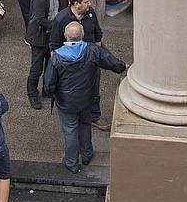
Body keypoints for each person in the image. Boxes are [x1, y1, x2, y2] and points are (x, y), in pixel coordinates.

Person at [42, 21, 127, 173]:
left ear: (65, 37)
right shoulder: (92, 50)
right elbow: (110, 61)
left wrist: (54, 93)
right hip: (87, 97)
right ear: (82, 35)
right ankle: (87, 155)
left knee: (70, 130)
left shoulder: (57, 57)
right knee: (85, 125)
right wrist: (122, 66)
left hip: (66, 102)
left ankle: (72, 163)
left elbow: (48, 84)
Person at [26, 0, 63, 110]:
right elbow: (37, 19)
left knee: (50, 64)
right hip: (39, 37)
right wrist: (56, 24)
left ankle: (47, 90)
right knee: (36, 68)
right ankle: (32, 94)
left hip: (51, 35)